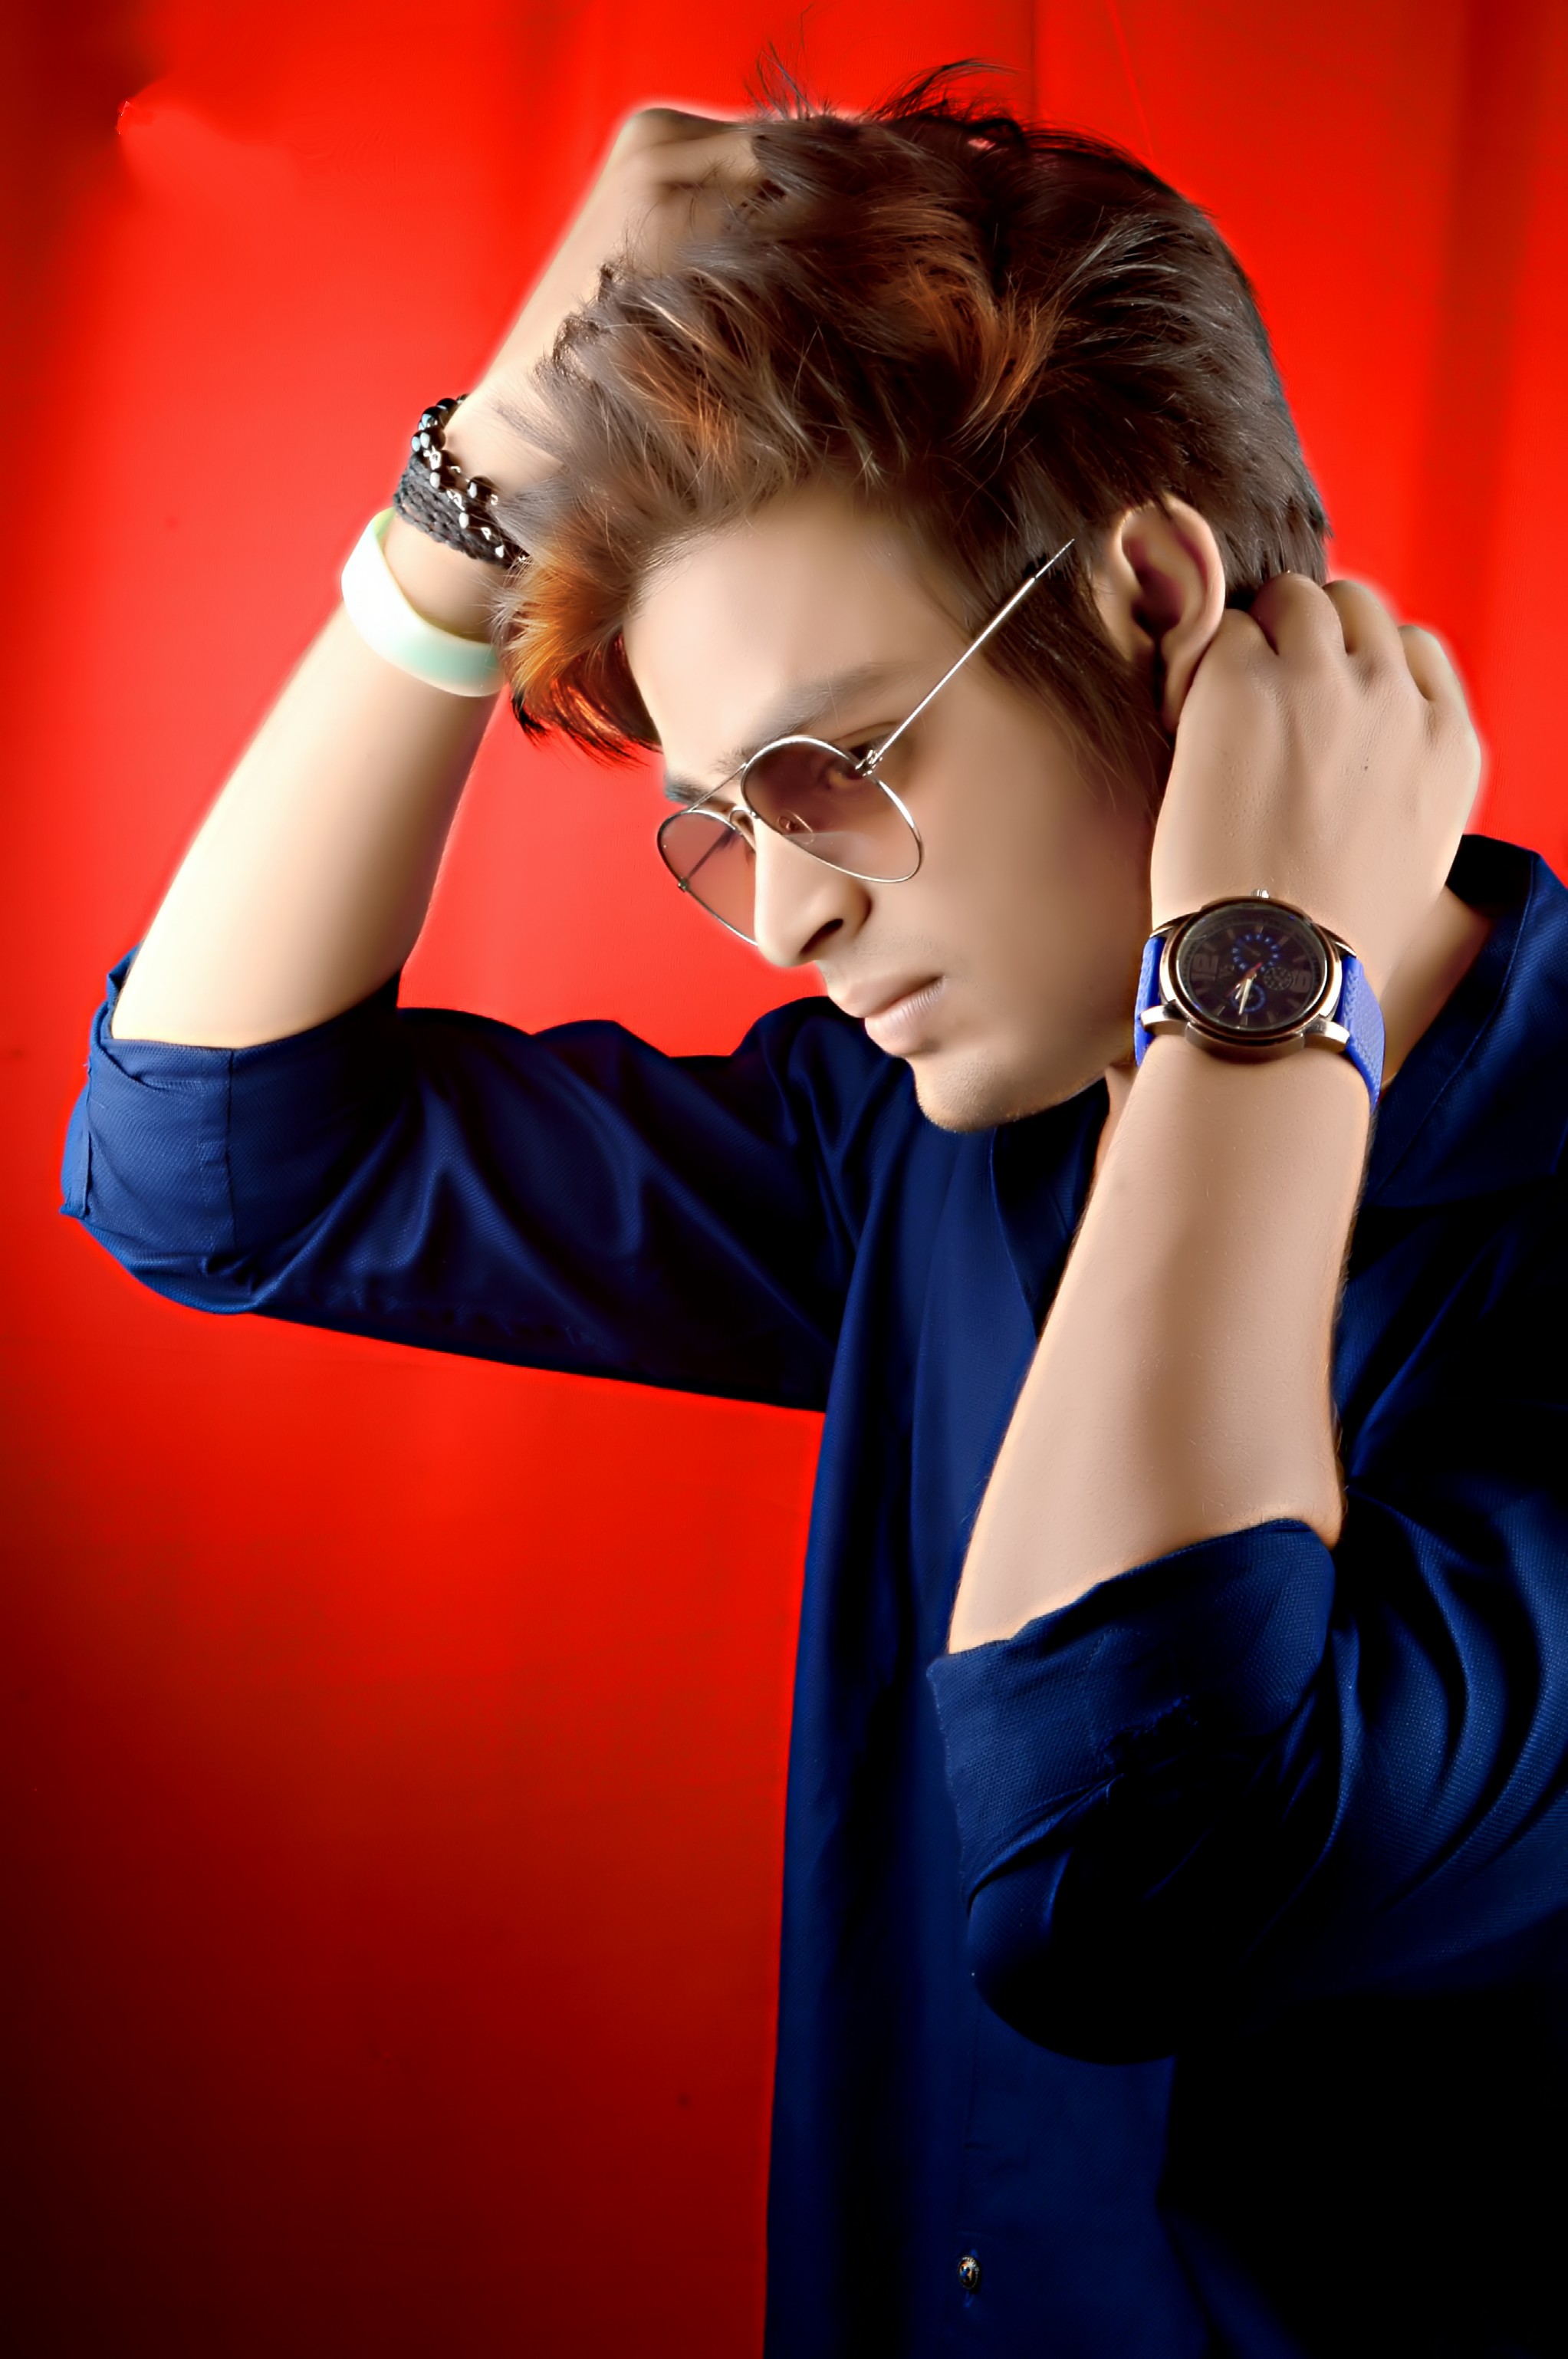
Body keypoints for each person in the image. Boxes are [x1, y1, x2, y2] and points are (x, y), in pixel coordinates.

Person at [66, 84, 1568, 2358]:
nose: (781, 920)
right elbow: (208, 1160)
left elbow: (1122, 1875)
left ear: (1156, 601)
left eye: (825, 771)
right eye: (719, 827)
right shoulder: (919, 1145)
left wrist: (1260, 971)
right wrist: (475, 497)